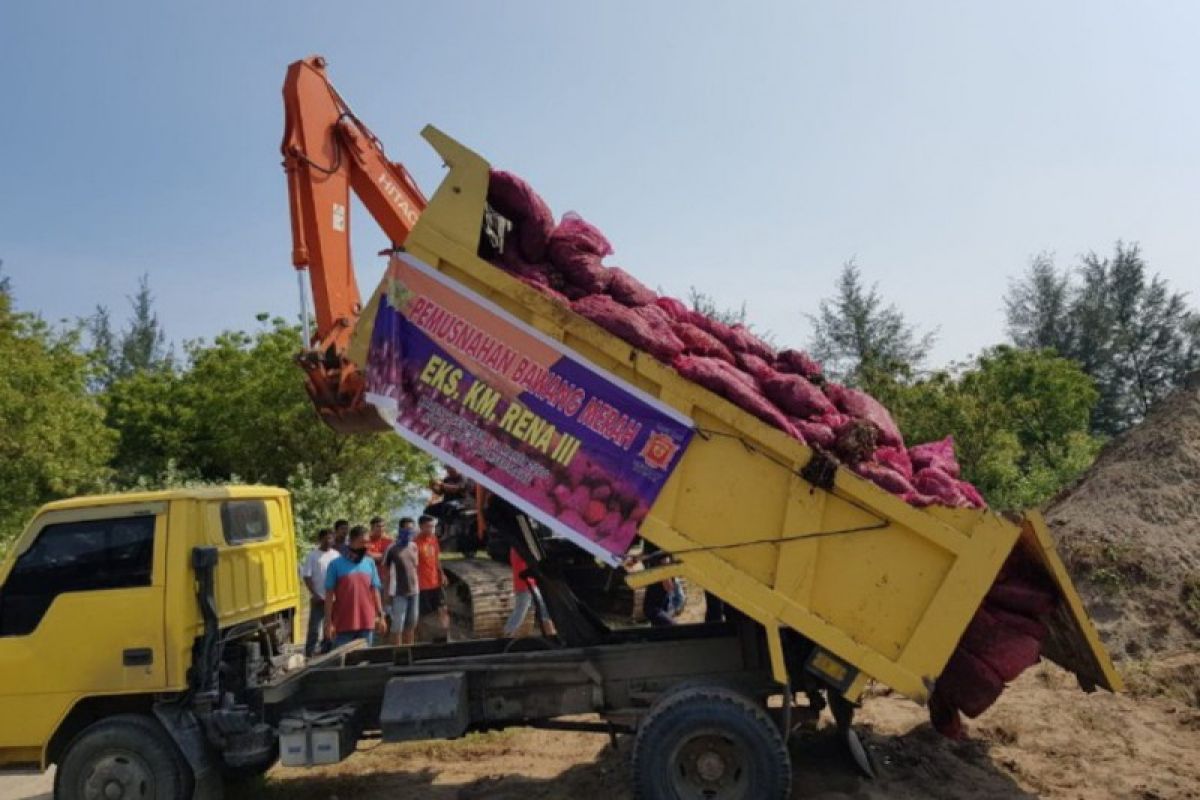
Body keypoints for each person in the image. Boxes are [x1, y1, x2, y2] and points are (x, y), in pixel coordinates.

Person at [323, 526, 387, 647]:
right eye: (362, 542)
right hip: (343, 624)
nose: (366, 546)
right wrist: (328, 622)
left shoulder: (370, 563)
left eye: (367, 542)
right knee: (344, 662)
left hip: (367, 621)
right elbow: (329, 595)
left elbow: (375, 591)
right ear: (351, 541)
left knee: (365, 661)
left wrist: (381, 616)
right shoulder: (335, 564)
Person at [300, 527, 339, 657]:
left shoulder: (336, 555)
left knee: (330, 626)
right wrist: (314, 593)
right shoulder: (312, 555)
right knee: (314, 628)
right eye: (326, 538)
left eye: (331, 538)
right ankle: (309, 653)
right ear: (320, 539)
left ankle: (327, 651)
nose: (329, 541)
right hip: (319, 598)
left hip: (333, 598)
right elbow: (307, 576)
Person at [502, 548, 556, 638]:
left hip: (527, 584)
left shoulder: (515, 549)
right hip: (525, 584)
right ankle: (509, 631)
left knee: (541, 608)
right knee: (522, 610)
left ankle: (550, 631)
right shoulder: (519, 550)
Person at [383, 518, 420, 646]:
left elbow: (415, 567)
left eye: (412, 528)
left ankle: (410, 651)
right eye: (407, 528)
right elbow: (386, 573)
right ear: (400, 529)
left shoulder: (414, 546)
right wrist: (386, 596)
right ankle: (398, 653)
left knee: (411, 624)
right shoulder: (392, 548)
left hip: (414, 592)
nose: (410, 531)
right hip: (398, 592)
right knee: (397, 625)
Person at [414, 515, 451, 642]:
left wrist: (442, 573)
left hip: (436, 582)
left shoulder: (434, 539)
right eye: (428, 526)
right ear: (421, 527)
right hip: (422, 585)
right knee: (424, 614)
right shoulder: (415, 543)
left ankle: (446, 636)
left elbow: (436, 558)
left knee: (443, 609)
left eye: (433, 526)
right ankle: (424, 639)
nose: (431, 529)